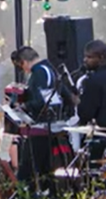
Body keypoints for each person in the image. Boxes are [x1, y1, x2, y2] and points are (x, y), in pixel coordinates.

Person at [13, 46, 69, 189]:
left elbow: (40, 102)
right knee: (46, 168)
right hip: (52, 124)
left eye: (22, 66)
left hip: (40, 126)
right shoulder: (49, 69)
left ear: (24, 62)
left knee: (27, 168)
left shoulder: (37, 72)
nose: (24, 70)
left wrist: (23, 105)